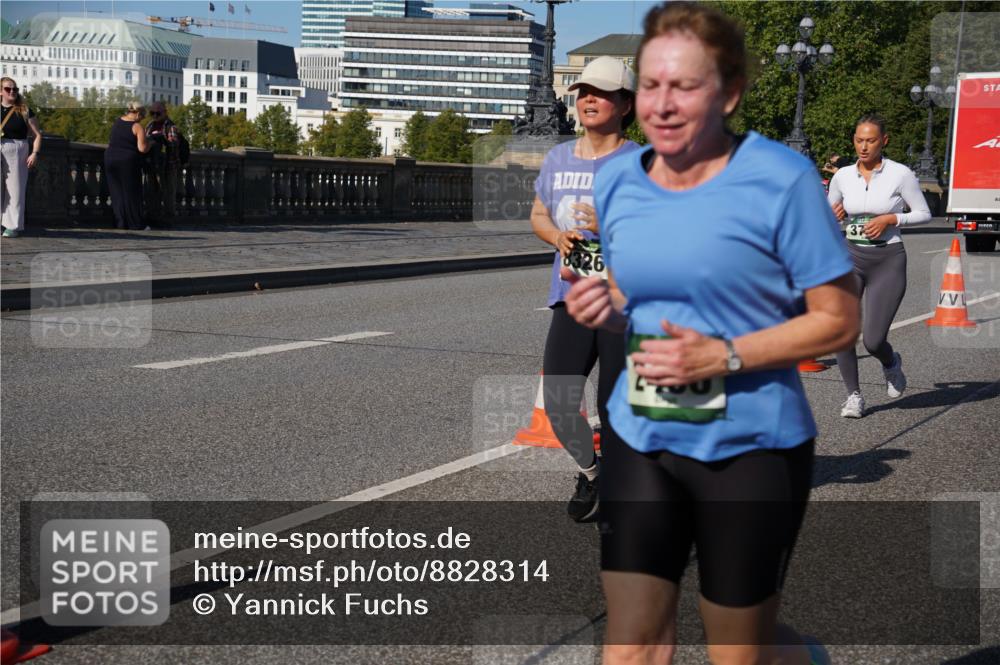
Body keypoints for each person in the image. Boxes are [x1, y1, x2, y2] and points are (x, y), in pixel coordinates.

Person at [560, 3, 859, 663]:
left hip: (750, 445)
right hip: (641, 433)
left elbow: (840, 318)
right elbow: (638, 294)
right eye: (651, 85)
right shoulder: (618, 181)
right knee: (632, 641)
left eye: (685, 86)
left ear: (729, 93)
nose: (662, 104)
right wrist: (604, 304)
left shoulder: (780, 179)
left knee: (740, 651)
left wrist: (723, 354)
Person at [529, 56, 641, 522]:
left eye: (602, 93)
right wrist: (557, 236)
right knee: (558, 402)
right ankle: (592, 473)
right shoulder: (558, 158)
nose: (589, 100)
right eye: (584, 93)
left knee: (615, 409)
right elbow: (539, 215)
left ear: (626, 105)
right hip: (572, 298)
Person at [827, 113, 931, 418]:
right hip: (850, 258)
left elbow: (923, 213)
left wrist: (890, 218)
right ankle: (853, 396)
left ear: (883, 141)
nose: (863, 146)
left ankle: (890, 362)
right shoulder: (842, 176)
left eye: (870, 140)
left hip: (887, 260)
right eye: (859, 140)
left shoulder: (900, 174)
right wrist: (832, 216)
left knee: (873, 340)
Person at [1, 77, 42, 238]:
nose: (12, 91)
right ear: (1, 92)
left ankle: (12, 226)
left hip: (17, 149)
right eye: (8, 89)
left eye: (15, 89)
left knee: (15, 188)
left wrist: (35, 153)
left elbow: (37, 135)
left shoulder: (24, 110)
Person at [104, 100, 152, 231]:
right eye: (142, 116)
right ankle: (135, 223)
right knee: (131, 193)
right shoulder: (137, 126)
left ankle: (120, 222)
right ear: (138, 114)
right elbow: (142, 148)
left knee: (117, 193)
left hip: (110, 159)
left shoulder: (117, 121)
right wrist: (151, 143)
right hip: (127, 162)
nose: (142, 119)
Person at [144, 101, 182, 227]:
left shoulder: (170, 126)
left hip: (168, 165)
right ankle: (153, 217)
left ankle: (168, 219)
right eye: (152, 113)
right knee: (152, 192)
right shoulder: (149, 125)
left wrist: (162, 139)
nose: (155, 115)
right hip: (152, 164)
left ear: (165, 112)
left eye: (158, 113)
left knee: (168, 193)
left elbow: (174, 144)